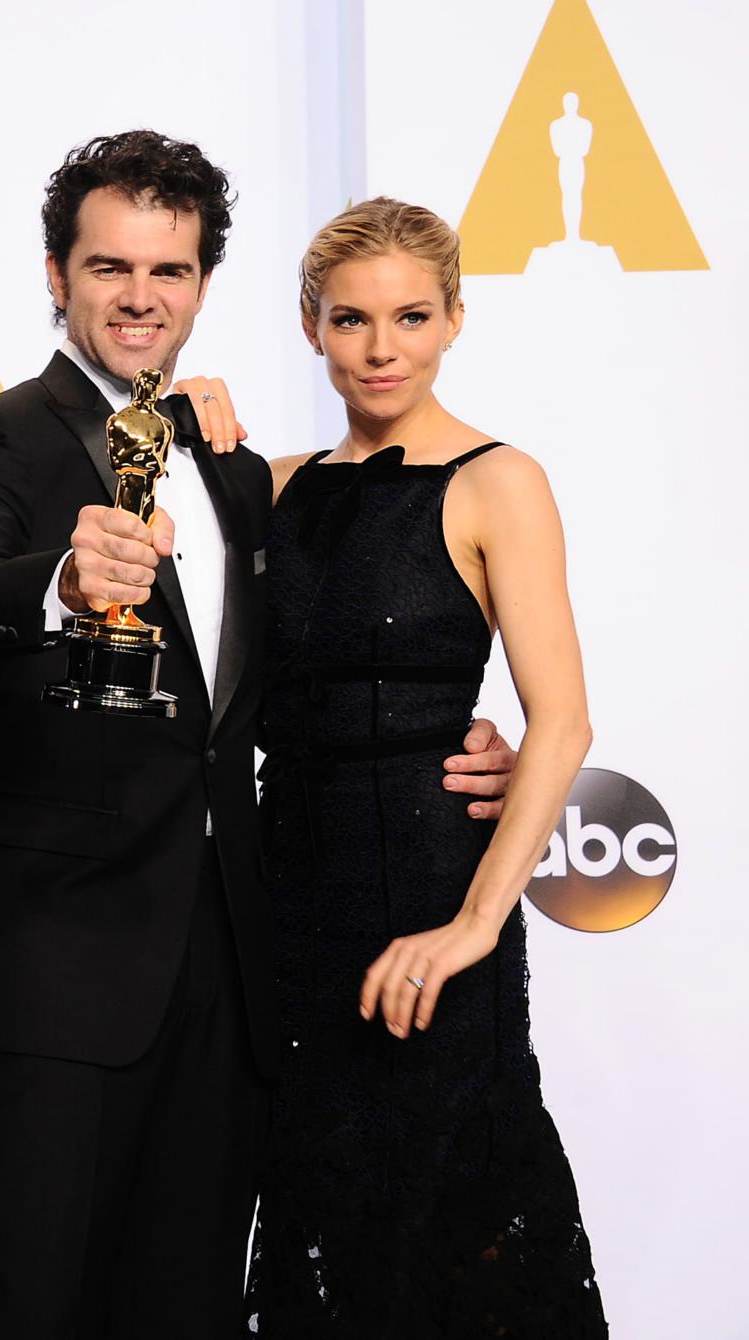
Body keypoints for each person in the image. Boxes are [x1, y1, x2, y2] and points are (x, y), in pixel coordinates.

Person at [0, 131, 516, 1337]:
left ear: (201, 287)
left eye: (169, 272)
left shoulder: (232, 467)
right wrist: (60, 585)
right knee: (37, 1303)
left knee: (189, 1306)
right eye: (110, 268)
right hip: (61, 959)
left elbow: (278, 685)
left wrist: (455, 738)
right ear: (55, 275)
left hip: (240, 960)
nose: (139, 298)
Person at [244, 197, 606, 1336]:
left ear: (454, 319)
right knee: (321, 1225)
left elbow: (561, 723)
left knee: (455, 1229)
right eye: (352, 320)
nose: (382, 347)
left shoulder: (501, 479)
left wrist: (475, 925)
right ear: (312, 328)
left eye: (411, 316)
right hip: (287, 909)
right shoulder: (265, 485)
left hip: (434, 901)